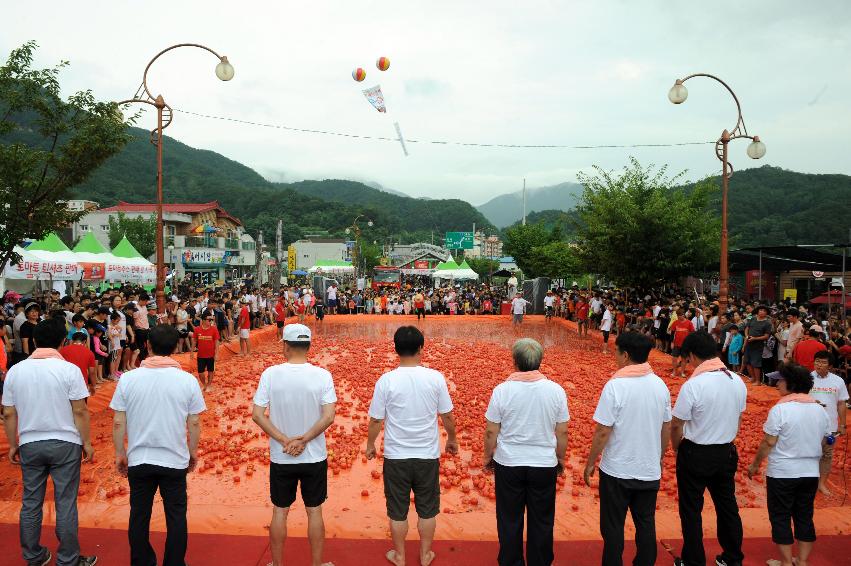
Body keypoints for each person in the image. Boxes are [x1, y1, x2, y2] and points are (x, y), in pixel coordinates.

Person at [2, 318, 97, 566]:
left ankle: (33, 555)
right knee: (65, 502)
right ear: (62, 342)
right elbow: (80, 410)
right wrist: (86, 442)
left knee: (31, 502)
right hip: (65, 443)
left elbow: (9, 413)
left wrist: (13, 444)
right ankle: (68, 559)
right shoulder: (69, 370)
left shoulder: (16, 370)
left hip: (30, 443)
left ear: (34, 341)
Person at [110, 324, 206, 566]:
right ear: (175, 347)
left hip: (139, 458)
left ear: (148, 346)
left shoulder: (128, 379)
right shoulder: (187, 380)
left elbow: (119, 421)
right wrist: (192, 452)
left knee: (139, 514)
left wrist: (120, 453)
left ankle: (142, 562)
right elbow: (194, 422)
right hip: (174, 459)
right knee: (175, 516)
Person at [366, 326, 458, 566]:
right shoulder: (435, 378)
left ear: (395, 349)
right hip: (427, 456)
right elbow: (447, 415)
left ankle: (400, 555)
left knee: (397, 509)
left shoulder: (386, 381)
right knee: (427, 508)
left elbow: (376, 420)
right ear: (421, 348)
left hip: (396, 457)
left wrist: (370, 445)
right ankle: (425, 554)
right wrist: (452, 439)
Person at [251, 323, 336, 566]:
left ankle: (277, 564)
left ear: (286, 347)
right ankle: (317, 564)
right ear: (308, 346)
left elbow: (257, 414)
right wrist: (305, 439)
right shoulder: (322, 375)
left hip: (282, 456)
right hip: (314, 457)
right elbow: (329, 416)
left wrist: (285, 441)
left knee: (280, 510)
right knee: (315, 510)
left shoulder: (270, 374)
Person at [584, 331, 671, 566]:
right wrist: (659, 457)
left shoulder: (616, 386)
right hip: (648, 470)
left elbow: (603, 431)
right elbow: (666, 428)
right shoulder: (660, 385)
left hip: (617, 471)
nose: (615, 356)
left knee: (613, 525)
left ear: (625, 355)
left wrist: (591, 462)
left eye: (616, 352)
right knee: (645, 522)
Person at [483, 338, 569, 566]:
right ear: (540, 361)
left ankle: (511, 562)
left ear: (514, 362)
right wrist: (560, 458)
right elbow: (562, 432)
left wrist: (487, 456)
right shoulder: (556, 391)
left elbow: (491, 431)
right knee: (542, 519)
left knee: (509, 518)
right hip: (543, 464)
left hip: (509, 463)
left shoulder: (502, 391)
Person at [671, 331, 747, 566]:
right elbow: (739, 417)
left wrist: (677, 449)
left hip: (696, 452)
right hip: (726, 452)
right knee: (727, 506)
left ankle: (693, 561)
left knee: (691, 510)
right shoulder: (737, 380)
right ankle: (733, 557)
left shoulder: (694, 385)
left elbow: (676, 425)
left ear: (692, 355)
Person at [747, 362, 830, 566]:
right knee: (804, 515)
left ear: (791, 384)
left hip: (783, 472)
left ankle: (785, 562)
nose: (776, 384)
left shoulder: (781, 409)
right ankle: (801, 561)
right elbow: (826, 444)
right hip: (810, 473)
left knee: (781, 516)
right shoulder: (820, 410)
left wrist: (755, 464)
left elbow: (769, 441)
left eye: (780, 380)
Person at [809, 350, 848, 495]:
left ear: (830, 366)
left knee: (827, 455)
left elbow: (841, 404)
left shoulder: (838, 381)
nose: (819, 364)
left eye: (823, 362)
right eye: (817, 361)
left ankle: (821, 484)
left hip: (829, 427)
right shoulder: (807, 378)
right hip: (810, 426)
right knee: (810, 454)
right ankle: (809, 483)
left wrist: (842, 425)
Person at [191, 309, 220, 393]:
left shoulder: (214, 329)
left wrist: (217, 353)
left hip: (211, 355)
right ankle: (204, 384)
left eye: (212, 320)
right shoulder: (197, 329)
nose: (211, 321)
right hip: (200, 355)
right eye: (209, 320)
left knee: (211, 371)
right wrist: (192, 352)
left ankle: (209, 384)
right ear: (203, 320)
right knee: (200, 373)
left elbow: (217, 342)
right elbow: (194, 341)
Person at [60, 331, 97, 397]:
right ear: (85, 341)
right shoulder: (89, 353)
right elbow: (92, 372)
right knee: (81, 406)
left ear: (72, 340)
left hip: (64, 383)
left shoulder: (63, 350)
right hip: (81, 384)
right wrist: (93, 386)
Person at [744, 305, 774, 385]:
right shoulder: (753, 318)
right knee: (747, 361)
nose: (762, 312)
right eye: (760, 310)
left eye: (764, 311)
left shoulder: (767, 323)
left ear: (766, 313)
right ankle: (752, 377)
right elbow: (747, 328)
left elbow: (766, 336)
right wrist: (747, 336)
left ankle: (758, 381)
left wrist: (755, 338)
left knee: (756, 363)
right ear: (757, 311)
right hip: (748, 343)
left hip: (758, 345)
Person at [670, 308, 695, 378]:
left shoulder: (689, 323)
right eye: (678, 316)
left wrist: (690, 343)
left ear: (683, 315)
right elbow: (672, 333)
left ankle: (682, 372)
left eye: (680, 315)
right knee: (674, 358)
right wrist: (671, 342)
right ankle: (674, 371)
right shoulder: (675, 322)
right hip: (676, 344)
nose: (678, 317)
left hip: (685, 345)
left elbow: (692, 333)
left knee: (684, 359)